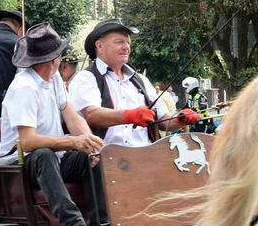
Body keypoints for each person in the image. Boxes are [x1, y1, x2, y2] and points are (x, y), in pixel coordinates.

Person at [0, 23, 104, 226]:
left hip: (52, 159)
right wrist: (73, 142)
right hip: (19, 164)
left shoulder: (54, 78)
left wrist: (90, 142)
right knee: (44, 154)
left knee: (91, 159)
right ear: (53, 59)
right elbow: (27, 142)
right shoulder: (24, 86)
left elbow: (71, 114)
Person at [69, 18, 199, 147]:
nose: (126, 47)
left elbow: (164, 121)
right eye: (119, 42)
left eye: (128, 43)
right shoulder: (86, 78)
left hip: (146, 155)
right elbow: (92, 115)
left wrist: (180, 119)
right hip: (106, 158)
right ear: (99, 46)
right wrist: (129, 115)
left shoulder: (141, 80)